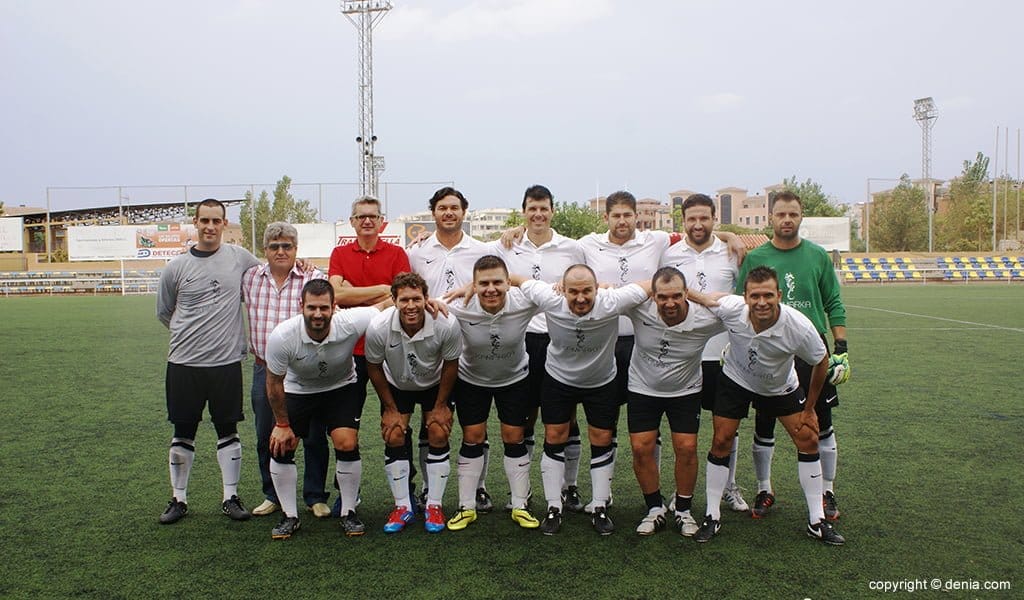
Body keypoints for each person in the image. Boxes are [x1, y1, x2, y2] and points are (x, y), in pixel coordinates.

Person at [695, 266, 844, 545]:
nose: (761, 302)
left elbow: (820, 360)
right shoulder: (732, 309)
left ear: (779, 295)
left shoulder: (798, 325)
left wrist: (810, 408)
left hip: (778, 385)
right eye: (754, 296)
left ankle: (816, 520)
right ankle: (712, 515)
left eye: (767, 295)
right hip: (736, 379)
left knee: (808, 439)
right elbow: (705, 298)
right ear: (745, 297)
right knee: (721, 440)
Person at [513, 264, 650, 535]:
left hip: (601, 381)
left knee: (601, 439)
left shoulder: (612, 300)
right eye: (573, 291)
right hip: (558, 379)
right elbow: (515, 278)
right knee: (554, 436)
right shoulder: (549, 297)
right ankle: (554, 506)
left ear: (597, 289)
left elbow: (651, 284)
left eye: (587, 290)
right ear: (562, 289)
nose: (580, 298)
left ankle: (599, 506)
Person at [736, 191, 848, 521]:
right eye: (781, 214)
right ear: (771, 218)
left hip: (811, 348)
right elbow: (740, 301)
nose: (787, 220)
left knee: (820, 421)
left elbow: (833, 303)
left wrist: (841, 347)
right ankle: (764, 487)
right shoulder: (756, 258)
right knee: (765, 421)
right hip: (769, 350)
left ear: (801, 217)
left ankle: (827, 491)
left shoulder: (817, 256)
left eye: (793, 214)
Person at [156, 198, 260, 524]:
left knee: (227, 429)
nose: (210, 227)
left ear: (225, 224)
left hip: (226, 362)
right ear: (196, 223)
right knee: (183, 430)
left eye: (217, 221)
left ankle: (230, 496)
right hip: (184, 364)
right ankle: (179, 499)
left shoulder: (240, 258)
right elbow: (164, 312)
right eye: (205, 221)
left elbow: (262, 282)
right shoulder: (176, 267)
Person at [264, 279, 383, 539]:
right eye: (312, 308)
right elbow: (273, 383)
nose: (318, 314)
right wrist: (282, 425)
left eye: (324, 308)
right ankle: (289, 516)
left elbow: (385, 307)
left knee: (347, 442)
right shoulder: (283, 336)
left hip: (341, 388)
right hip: (299, 390)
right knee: (282, 445)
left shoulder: (350, 322)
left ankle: (349, 512)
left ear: (334, 307)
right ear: (301, 307)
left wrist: (427, 302)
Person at [494, 185, 586, 512]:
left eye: (543, 208)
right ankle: (525, 489)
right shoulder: (506, 245)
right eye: (532, 209)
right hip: (522, 340)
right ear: (523, 212)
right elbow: (468, 252)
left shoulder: (573, 248)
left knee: (565, 417)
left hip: (561, 340)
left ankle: (569, 486)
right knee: (526, 416)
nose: (538, 214)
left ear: (552, 211)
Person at [659, 193, 749, 515]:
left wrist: (730, 236)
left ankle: (729, 486)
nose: (698, 225)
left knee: (727, 427)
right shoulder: (668, 254)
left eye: (704, 218)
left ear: (714, 219)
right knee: (683, 432)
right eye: (691, 219)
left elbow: (744, 298)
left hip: (724, 355)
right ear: (683, 221)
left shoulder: (732, 252)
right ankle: (680, 491)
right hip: (683, 356)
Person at [328, 195, 415, 516]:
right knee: (345, 429)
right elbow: (335, 293)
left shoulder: (397, 253)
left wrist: (355, 294)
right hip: (349, 352)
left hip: (390, 351)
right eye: (360, 216)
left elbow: (402, 296)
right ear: (352, 221)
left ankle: (406, 492)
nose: (367, 221)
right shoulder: (340, 253)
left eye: (372, 216)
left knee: (395, 424)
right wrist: (382, 288)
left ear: (382, 222)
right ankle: (348, 494)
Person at [444, 255, 543, 531]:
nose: (491, 289)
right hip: (471, 380)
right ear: (473, 286)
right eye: (483, 283)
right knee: (472, 437)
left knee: (514, 436)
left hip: (514, 379)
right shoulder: (458, 304)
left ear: (508, 283)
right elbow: (425, 305)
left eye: (498, 282)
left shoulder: (524, 302)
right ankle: (466, 507)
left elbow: (551, 292)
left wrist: (523, 281)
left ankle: (520, 505)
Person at [406, 187, 491, 511]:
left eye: (454, 207)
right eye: (442, 208)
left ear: (464, 212)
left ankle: (480, 487)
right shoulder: (417, 251)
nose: (449, 213)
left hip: (472, 346)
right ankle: (429, 489)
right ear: (433, 213)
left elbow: (501, 275)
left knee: (474, 423)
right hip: (431, 348)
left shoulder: (482, 249)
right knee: (433, 421)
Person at [625, 267, 724, 537]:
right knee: (641, 448)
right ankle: (654, 508)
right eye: (663, 297)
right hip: (642, 387)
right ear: (653, 296)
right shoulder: (638, 308)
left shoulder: (706, 317)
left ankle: (683, 509)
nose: (670, 303)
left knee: (687, 447)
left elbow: (740, 304)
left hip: (686, 390)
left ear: (686, 294)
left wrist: (707, 298)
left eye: (677, 296)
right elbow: (608, 294)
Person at [241, 222, 331, 520]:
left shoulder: (312, 276)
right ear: (264, 250)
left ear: (296, 249)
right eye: (274, 246)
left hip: (305, 372)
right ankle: (273, 495)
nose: (281, 251)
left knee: (315, 435)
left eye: (287, 246)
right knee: (266, 434)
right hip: (265, 370)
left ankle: (315, 495)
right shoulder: (250, 278)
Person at [364, 272, 461, 534]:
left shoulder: (446, 323)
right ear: (394, 300)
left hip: (434, 384)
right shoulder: (378, 326)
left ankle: (434, 505)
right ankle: (403, 506)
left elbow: (452, 364)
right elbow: (372, 366)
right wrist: (391, 409)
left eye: (416, 299)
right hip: (397, 384)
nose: (410, 306)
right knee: (394, 434)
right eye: (404, 299)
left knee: (438, 432)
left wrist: (441, 405)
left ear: (426, 299)